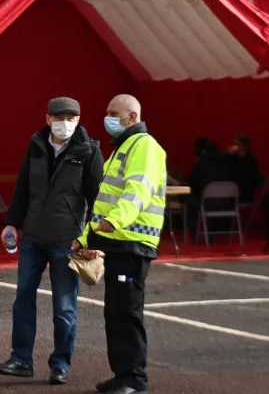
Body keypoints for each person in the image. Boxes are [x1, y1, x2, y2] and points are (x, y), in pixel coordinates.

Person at [0, 97, 104, 386]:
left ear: (78, 119)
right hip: (33, 238)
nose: (65, 122)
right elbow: (23, 187)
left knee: (64, 307)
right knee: (23, 299)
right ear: (48, 118)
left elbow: (97, 199)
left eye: (71, 117)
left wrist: (89, 238)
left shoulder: (89, 150)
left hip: (68, 241)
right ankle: (20, 360)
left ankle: (61, 364)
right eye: (60, 116)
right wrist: (12, 223)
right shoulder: (36, 145)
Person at [73, 94, 166, 394]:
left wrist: (117, 221)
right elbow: (104, 203)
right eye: (107, 112)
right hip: (119, 243)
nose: (108, 118)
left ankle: (133, 380)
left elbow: (137, 191)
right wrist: (85, 238)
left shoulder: (144, 147)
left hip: (132, 242)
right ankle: (124, 375)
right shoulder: (123, 148)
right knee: (116, 312)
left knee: (126, 312)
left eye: (114, 113)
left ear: (133, 116)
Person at [185, 137, 231, 241]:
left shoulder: (199, 164)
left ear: (202, 151)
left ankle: (195, 235)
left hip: (206, 202)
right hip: (226, 202)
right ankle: (213, 234)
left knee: (188, 202)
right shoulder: (226, 163)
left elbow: (193, 184)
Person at [224, 135, 260, 203]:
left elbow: (247, 178)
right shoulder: (233, 158)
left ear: (246, 146)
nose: (235, 147)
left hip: (244, 193)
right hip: (232, 190)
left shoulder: (251, 161)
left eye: (237, 145)